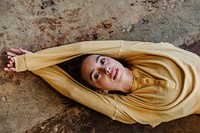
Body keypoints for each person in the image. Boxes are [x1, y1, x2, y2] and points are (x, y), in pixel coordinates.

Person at [4, 40, 200, 127]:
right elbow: (72, 89)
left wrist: (38, 58)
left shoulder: (144, 54)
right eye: (96, 76)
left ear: (113, 57)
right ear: (101, 90)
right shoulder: (130, 109)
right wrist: (32, 65)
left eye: (103, 61)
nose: (105, 69)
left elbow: (83, 48)